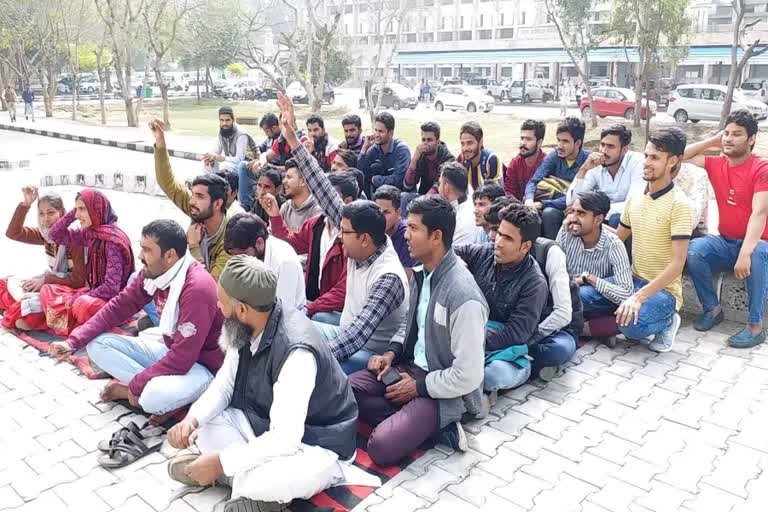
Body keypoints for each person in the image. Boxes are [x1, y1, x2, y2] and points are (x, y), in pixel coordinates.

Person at [165, 256, 358, 512]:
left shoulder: (296, 352)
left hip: (318, 443)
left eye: (221, 303)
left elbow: (286, 439)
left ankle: (239, 482)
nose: (218, 308)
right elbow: (224, 385)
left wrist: (221, 463)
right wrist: (192, 420)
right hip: (265, 421)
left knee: (262, 482)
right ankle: (242, 483)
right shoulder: (248, 323)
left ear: (242, 309)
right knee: (205, 426)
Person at [276, 93, 408, 375]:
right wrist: (292, 139)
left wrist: (306, 358)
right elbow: (323, 188)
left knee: (299, 352)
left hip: (369, 355)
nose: (338, 235)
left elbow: (356, 338)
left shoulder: (388, 278)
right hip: (345, 332)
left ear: (362, 238)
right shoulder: (363, 239)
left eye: (344, 232)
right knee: (290, 328)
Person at [349, 195, 487, 463]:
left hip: (444, 390)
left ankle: (438, 423)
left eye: (413, 228)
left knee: (381, 446)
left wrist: (420, 388)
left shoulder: (463, 295)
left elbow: (469, 375)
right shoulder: (422, 274)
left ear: (436, 236)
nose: (406, 235)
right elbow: (409, 324)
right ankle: (420, 422)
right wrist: (390, 354)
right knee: (345, 392)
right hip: (410, 369)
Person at [48, 220, 224, 424]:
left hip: (203, 367)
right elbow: (118, 307)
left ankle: (148, 396)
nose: (140, 256)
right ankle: (163, 396)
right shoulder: (154, 273)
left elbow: (183, 358)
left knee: (152, 399)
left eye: (147, 250)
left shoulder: (196, 289)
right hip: (173, 351)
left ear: (170, 255)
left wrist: (135, 385)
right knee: (97, 345)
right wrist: (72, 342)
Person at [683, 110, 768, 347]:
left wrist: (745, 253)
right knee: (694, 250)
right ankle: (712, 309)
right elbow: (678, 157)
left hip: (760, 244)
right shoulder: (716, 163)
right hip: (727, 241)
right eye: (727, 134)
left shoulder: (762, 169)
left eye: (737, 134)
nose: (729, 139)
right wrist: (713, 140)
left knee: (759, 252)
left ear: (751, 139)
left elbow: (759, 213)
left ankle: (755, 327)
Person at [455, 205, 549, 394]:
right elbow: (447, 253)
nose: (498, 242)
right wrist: (457, 266)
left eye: (507, 238)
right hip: (472, 335)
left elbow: (516, 334)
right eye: (499, 233)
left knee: (493, 375)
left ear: (525, 246)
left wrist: (470, 340)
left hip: (505, 352)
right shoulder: (483, 253)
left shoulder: (534, 283)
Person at [615, 127, 693, 352]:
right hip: (631, 280)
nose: (647, 162)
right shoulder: (636, 198)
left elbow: (677, 265)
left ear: (673, 161)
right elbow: (619, 237)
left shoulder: (680, 205)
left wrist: (638, 298)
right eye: (646, 156)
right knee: (581, 297)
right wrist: (588, 224)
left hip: (664, 292)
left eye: (655, 158)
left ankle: (669, 321)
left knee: (628, 325)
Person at [265, 173, 356, 327]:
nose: (324, 201)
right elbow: (292, 244)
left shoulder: (352, 237)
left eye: (331, 197)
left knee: (315, 319)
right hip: (314, 301)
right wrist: (275, 216)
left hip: (340, 312)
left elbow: (343, 291)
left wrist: (310, 308)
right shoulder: (316, 224)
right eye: (321, 196)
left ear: (347, 201)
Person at [40, 189, 134, 335]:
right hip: (93, 293)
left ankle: (74, 326)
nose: (77, 215)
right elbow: (55, 235)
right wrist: (74, 211)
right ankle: (74, 325)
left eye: (82, 209)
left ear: (96, 210)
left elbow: (111, 288)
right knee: (48, 289)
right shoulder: (90, 233)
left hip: (114, 303)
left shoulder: (112, 241)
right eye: (76, 210)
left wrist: (79, 296)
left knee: (82, 305)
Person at [151, 119, 232, 280]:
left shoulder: (230, 240)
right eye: (193, 194)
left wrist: (194, 247)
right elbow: (169, 184)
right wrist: (160, 144)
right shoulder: (199, 210)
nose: (192, 201)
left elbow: (208, 288)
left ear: (218, 204)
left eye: (199, 196)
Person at [1, 187, 85, 331]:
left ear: (62, 213)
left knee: (21, 313)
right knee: (2, 284)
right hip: (51, 284)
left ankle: (38, 316)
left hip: (69, 290)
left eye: (51, 213)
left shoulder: (73, 238)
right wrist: (26, 204)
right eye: (41, 214)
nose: (46, 219)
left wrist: (46, 280)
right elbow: (13, 233)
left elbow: (79, 280)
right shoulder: (46, 235)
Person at [557, 191, 633, 341]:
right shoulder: (567, 231)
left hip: (596, 295)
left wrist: (589, 279)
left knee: (580, 294)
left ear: (598, 219)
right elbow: (554, 270)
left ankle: (586, 327)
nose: (573, 218)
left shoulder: (613, 244)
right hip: (569, 290)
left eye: (581, 214)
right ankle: (596, 328)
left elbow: (626, 294)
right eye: (572, 212)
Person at [223, 212, 306, 311]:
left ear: (259, 243)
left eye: (242, 254)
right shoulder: (249, 255)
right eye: (234, 255)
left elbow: (282, 311)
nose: (238, 260)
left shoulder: (284, 262)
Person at [566, 124, 644, 227]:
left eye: (610, 146)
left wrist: (593, 211)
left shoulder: (637, 162)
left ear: (625, 149)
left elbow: (632, 205)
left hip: (625, 222)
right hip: (598, 217)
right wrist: (583, 170)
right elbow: (571, 201)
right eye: (602, 145)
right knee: (559, 214)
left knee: (616, 219)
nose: (603, 151)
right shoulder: (596, 162)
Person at [525, 117, 590, 240]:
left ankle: (555, 253)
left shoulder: (588, 162)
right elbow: (534, 181)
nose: (559, 146)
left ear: (578, 143)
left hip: (574, 207)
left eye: (565, 141)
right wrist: (529, 200)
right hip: (549, 201)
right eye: (558, 140)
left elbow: (580, 196)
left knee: (549, 213)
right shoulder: (555, 155)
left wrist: (542, 204)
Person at [236, 113, 282, 212]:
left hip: (276, 170)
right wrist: (255, 157)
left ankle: (246, 204)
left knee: (243, 166)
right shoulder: (269, 139)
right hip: (263, 166)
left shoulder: (282, 140)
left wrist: (260, 162)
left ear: (273, 128)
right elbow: (260, 149)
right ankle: (246, 203)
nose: (266, 134)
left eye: (266, 131)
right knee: (243, 164)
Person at [358, 112, 411, 193]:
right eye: (375, 130)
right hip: (381, 194)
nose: (376, 134)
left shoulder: (402, 150)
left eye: (381, 131)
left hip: (400, 193)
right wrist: (364, 148)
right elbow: (361, 173)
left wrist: (375, 179)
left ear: (390, 133)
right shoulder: (374, 149)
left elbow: (398, 180)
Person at [403, 121, 456, 196]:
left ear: (438, 141)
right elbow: (408, 186)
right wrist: (414, 161)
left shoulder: (448, 160)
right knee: (404, 196)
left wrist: (423, 202)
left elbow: (439, 186)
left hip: (441, 199)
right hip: (424, 197)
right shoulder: (420, 156)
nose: (425, 143)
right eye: (423, 140)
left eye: (429, 140)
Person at [373, 185, 418, 267]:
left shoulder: (407, 236)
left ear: (398, 212)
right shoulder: (373, 231)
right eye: (378, 211)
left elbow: (408, 274)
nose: (381, 217)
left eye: (386, 212)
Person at [438, 162, 481, 246]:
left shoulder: (461, 221)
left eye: (440, 184)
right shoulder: (468, 197)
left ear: (446, 188)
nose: (438, 189)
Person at [505, 120, 546, 201]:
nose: (523, 143)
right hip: (516, 208)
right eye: (522, 138)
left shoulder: (547, 163)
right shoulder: (515, 163)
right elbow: (509, 192)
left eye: (528, 139)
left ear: (539, 142)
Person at [278, 159, 323, 232]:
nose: (284, 181)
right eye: (285, 177)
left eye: (289, 177)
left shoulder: (317, 210)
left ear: (303, 181)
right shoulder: (285, 207)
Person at [201, 107, 250, 173]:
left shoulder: (241, 134)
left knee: (224, 166)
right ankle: (211, 183)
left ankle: (221, 182)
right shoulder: (221, 130)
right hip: (227, 162)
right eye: (222, 120)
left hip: (243, 166)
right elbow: (216, 150)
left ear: (233, 120)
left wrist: (221, 158)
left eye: (227, 120)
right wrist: (210, 157)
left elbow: (240, 159)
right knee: (206, 164)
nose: (224, 123)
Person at [457, 121, 502, 192]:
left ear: (481, 142)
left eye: (470, 143)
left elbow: (494, 195)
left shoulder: (491, 160)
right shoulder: (461, 159)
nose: (465, 148)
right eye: (462, 144)